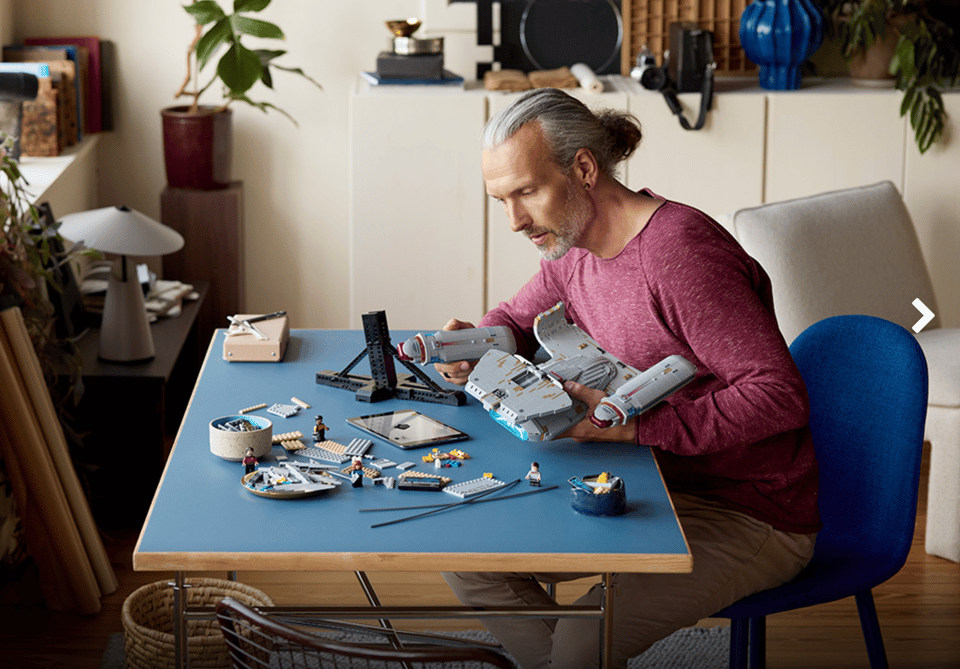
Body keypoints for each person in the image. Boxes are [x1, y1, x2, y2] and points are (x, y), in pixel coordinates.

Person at [436, 88, 821, 669]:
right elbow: (514, 320)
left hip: (746, 510)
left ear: (584, 168)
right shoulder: (572, 247)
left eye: (527, 192)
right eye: (501, 200)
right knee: (468, 556)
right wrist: (476, 344)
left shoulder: (679, 256)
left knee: (578, 645)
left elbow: (779, 397)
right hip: (647, 479)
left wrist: (641, 428)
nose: (514, 220)